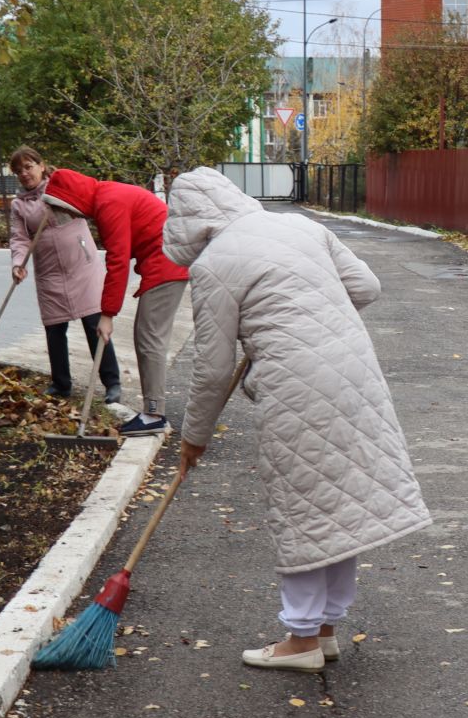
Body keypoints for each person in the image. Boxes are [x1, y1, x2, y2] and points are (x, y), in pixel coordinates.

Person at [164, 166, 431, 672]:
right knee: (339, 502)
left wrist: (192, 437)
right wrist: (310, 317)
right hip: (356, 371)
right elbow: (366, 287)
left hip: (297, 382)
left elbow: (214, 368)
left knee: (305, 504)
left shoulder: (214, 264)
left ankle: (301, 640)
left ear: (188, 224)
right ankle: (325, 629)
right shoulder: (303, 226)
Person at [13, 147, 188, 435]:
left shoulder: (108, 203)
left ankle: (155, 415)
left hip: (167, 264)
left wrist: (107, 314)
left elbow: (118, 261)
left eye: (67, 208)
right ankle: (152, 412)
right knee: (146, 337)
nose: (69, 214)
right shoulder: (106, 195)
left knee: (150, 339)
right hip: (164, 262)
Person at [8, 155, 120, 401]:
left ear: (41, 165)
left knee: (94, 324)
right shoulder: (18, 205)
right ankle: (61, 384)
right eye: (19, 170)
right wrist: (18, 263)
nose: (24, 173)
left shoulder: (60, 185)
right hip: (49, 272)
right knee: (54, 328)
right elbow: (19, 238)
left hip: (82, 265)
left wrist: (56, 200)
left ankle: (112, 382)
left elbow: (86, 204)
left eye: (28, 167)